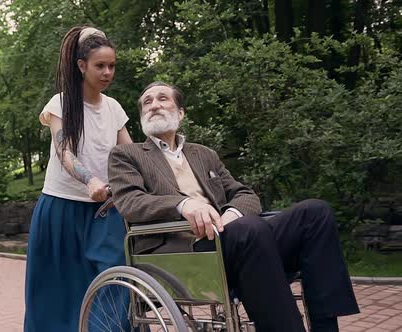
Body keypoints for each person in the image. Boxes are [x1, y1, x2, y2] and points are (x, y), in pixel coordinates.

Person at [108, 81, 360, 332]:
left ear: (181, 113)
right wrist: (183, 204)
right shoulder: (127, 155)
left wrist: (231, 215)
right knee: (250, 228)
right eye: (147, 103)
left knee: (315, 212)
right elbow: (130, 201)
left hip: (233, 237)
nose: (153, 105)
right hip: (184, 248)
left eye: (162, 98)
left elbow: (244, 194)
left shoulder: (204, 154)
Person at [24, 26, 133, 332]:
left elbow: (131, 155)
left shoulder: (114, 108)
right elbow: (64, 151)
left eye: (112, 66)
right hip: (61, 209)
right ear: (81, 65)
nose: (107, 72)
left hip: (104, 211)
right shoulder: (61, 103)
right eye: (100, 65)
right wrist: (90, 180)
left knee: (115, 279)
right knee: (56, 296)